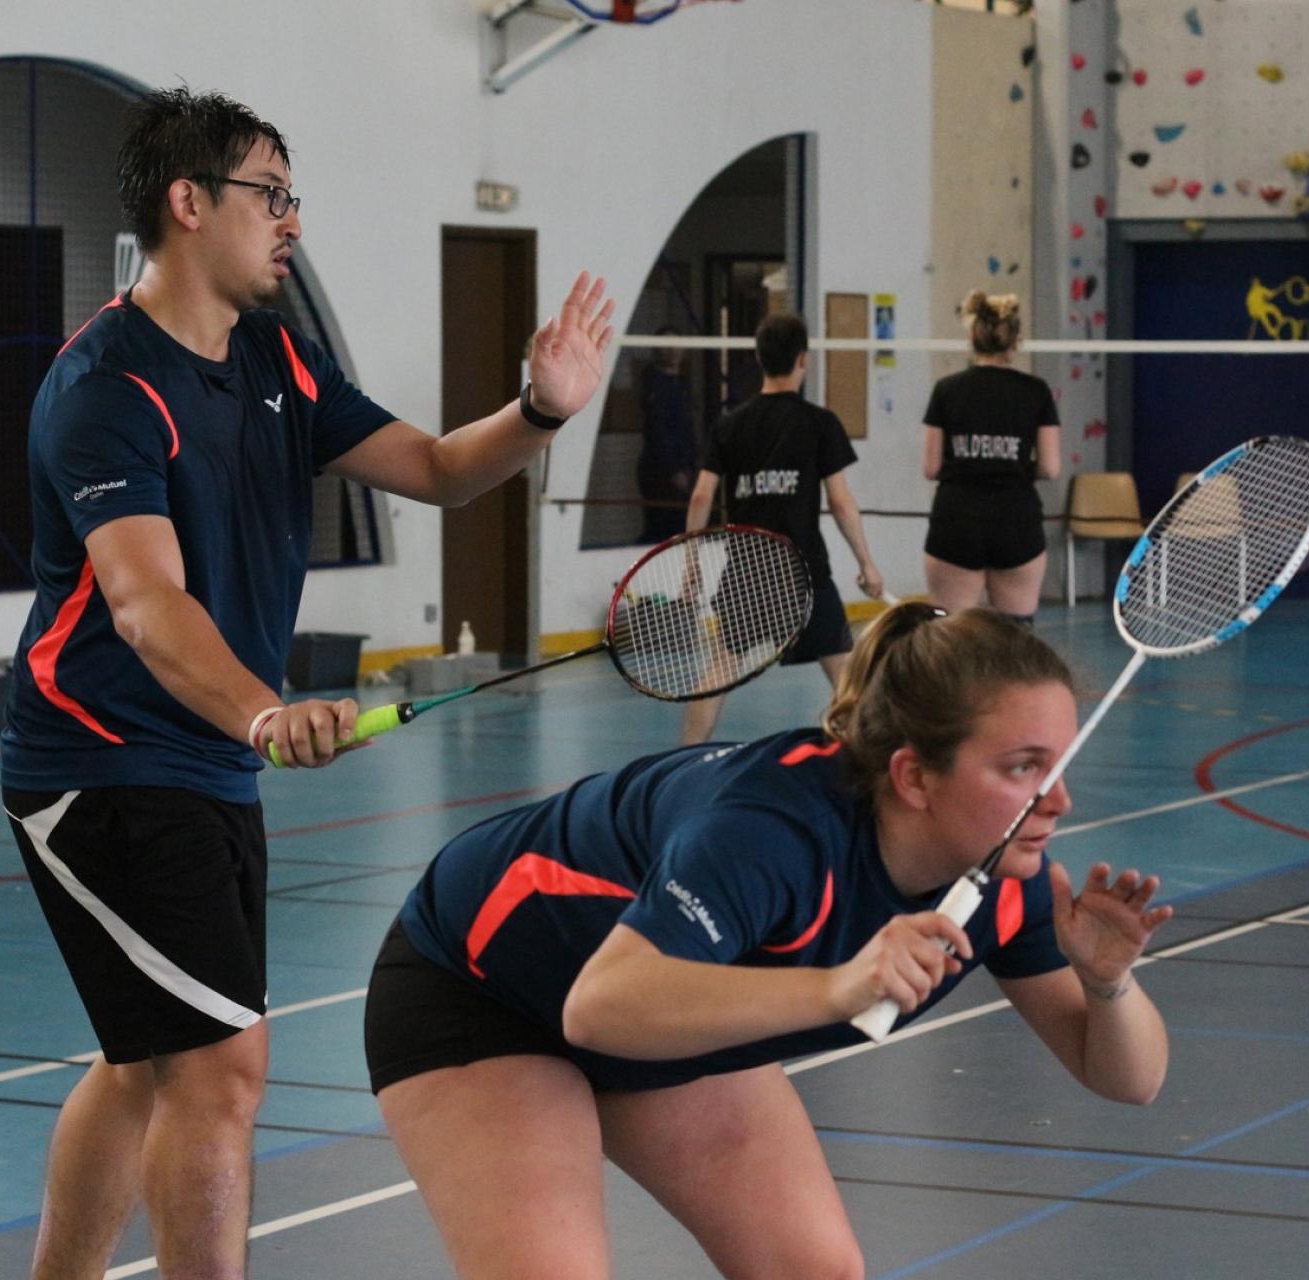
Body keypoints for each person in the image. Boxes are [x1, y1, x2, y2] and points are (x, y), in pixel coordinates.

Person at [0, 88, 614, 1279]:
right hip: (103, 763)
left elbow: (436, 467)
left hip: (205, 764)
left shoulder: (277, 357)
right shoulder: (106, 390)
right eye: (270, 194)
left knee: (145, 1062)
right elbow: (146, 603)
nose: (292, 219)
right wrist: (266, 710)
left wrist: (540, 409)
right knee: (221, 1067)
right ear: (189, 203)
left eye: (293, 196)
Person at [366, 604, 1174, 1278]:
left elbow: (1129, 1080)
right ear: (914, 776)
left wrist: (1109, 984)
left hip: (665, 1020)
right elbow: (601, 1005)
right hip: (482, 989)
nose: (1059, 801)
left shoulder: (1009, 882)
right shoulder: (771, 830)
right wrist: (839, 986)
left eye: (1059, 765)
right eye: (1023, 768)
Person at [679, 312, 883, 744]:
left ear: (759, 358)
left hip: (746, 567)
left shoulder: (730, 423)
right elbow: (840, 502)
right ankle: (870, 761)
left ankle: (681, 760)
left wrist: (691, 561)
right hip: (803, 569)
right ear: (802, 359)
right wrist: (866, 563)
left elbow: (700, 497)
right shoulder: (819, 423)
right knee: (845, 676)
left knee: (720, 668)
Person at [921, 290, 1062, 622]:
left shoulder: (946, 390)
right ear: (1016, 342)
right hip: (1015, 521)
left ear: (973, 338)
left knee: (951, 633)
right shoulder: (1036, 391)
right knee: (1015, 634)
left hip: (957, 520)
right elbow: (1050, 467)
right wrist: (1010, 464)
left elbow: (931, 467)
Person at [636, 334, 695, 542]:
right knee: (662, 528)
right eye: (667, 345)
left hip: (684, 467)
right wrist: (674, 470)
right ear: (656, 350)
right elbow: (657, 431)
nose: (673, 350)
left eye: (678, 344)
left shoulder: (682, 384)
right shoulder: (654, 384)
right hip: (660, 471)